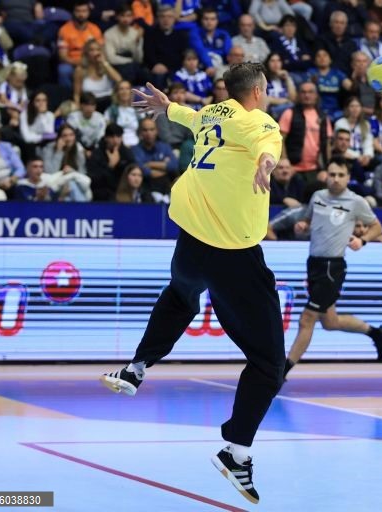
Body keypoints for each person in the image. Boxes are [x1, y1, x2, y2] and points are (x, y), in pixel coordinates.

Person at [100, 64, 285, 505]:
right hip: (231, 254)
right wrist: (266, 161)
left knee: (180, 297)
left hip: (190, 242)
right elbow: (267, 140)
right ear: (258, 91)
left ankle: (136, 367)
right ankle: (236, 452)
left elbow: (187, 116)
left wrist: (167, 107)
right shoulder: (256, 119)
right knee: (269, 364)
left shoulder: (212, 114)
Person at [284, 157, 382, 376]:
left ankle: (281, 371)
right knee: (330, 322)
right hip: (313, 265)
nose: (335, 179)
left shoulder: (356, 202)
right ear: (326, 175)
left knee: (307, 318)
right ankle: (377, 333)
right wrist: (302, 226)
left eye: (340, 175)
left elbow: (377, 226)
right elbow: (307, 222)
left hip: (332, 268)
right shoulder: (318, 196)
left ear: (348, 178)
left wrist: (362, 241)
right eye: (332, 174)